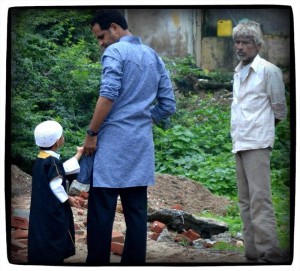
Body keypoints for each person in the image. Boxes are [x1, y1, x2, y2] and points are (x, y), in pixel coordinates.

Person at [83, 9, 176, 264]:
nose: (101, 44)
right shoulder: (153, 55)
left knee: (102, 211)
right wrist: (145, 117)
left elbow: (108, 93)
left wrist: (92, 133)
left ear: (114, 27)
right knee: (136, 213)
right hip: (140, 146)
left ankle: (98, 265)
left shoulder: (115, 52)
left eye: (100, 36)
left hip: (112, 144)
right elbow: (168, 104)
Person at [230, 20, 288, 263]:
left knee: (260, 200)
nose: (241, 47)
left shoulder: (269, 71)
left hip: (257, 143)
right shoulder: (238, 71)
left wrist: (262, 129)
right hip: (240, 142)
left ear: (258, 45)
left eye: (246, 42)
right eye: (238, 42)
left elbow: (279, 110)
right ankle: (252, 254)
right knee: (244, 201)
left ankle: (271, 254)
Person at [28, 120, 83, 265]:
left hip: (41, 209)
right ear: (58, 141)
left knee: (42, 233)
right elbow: (56, 185)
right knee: (55, 233)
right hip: (53, 210)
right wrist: (68, 199)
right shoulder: (52, 161)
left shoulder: (41, 159)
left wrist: (79, 154)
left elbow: (63, 169)